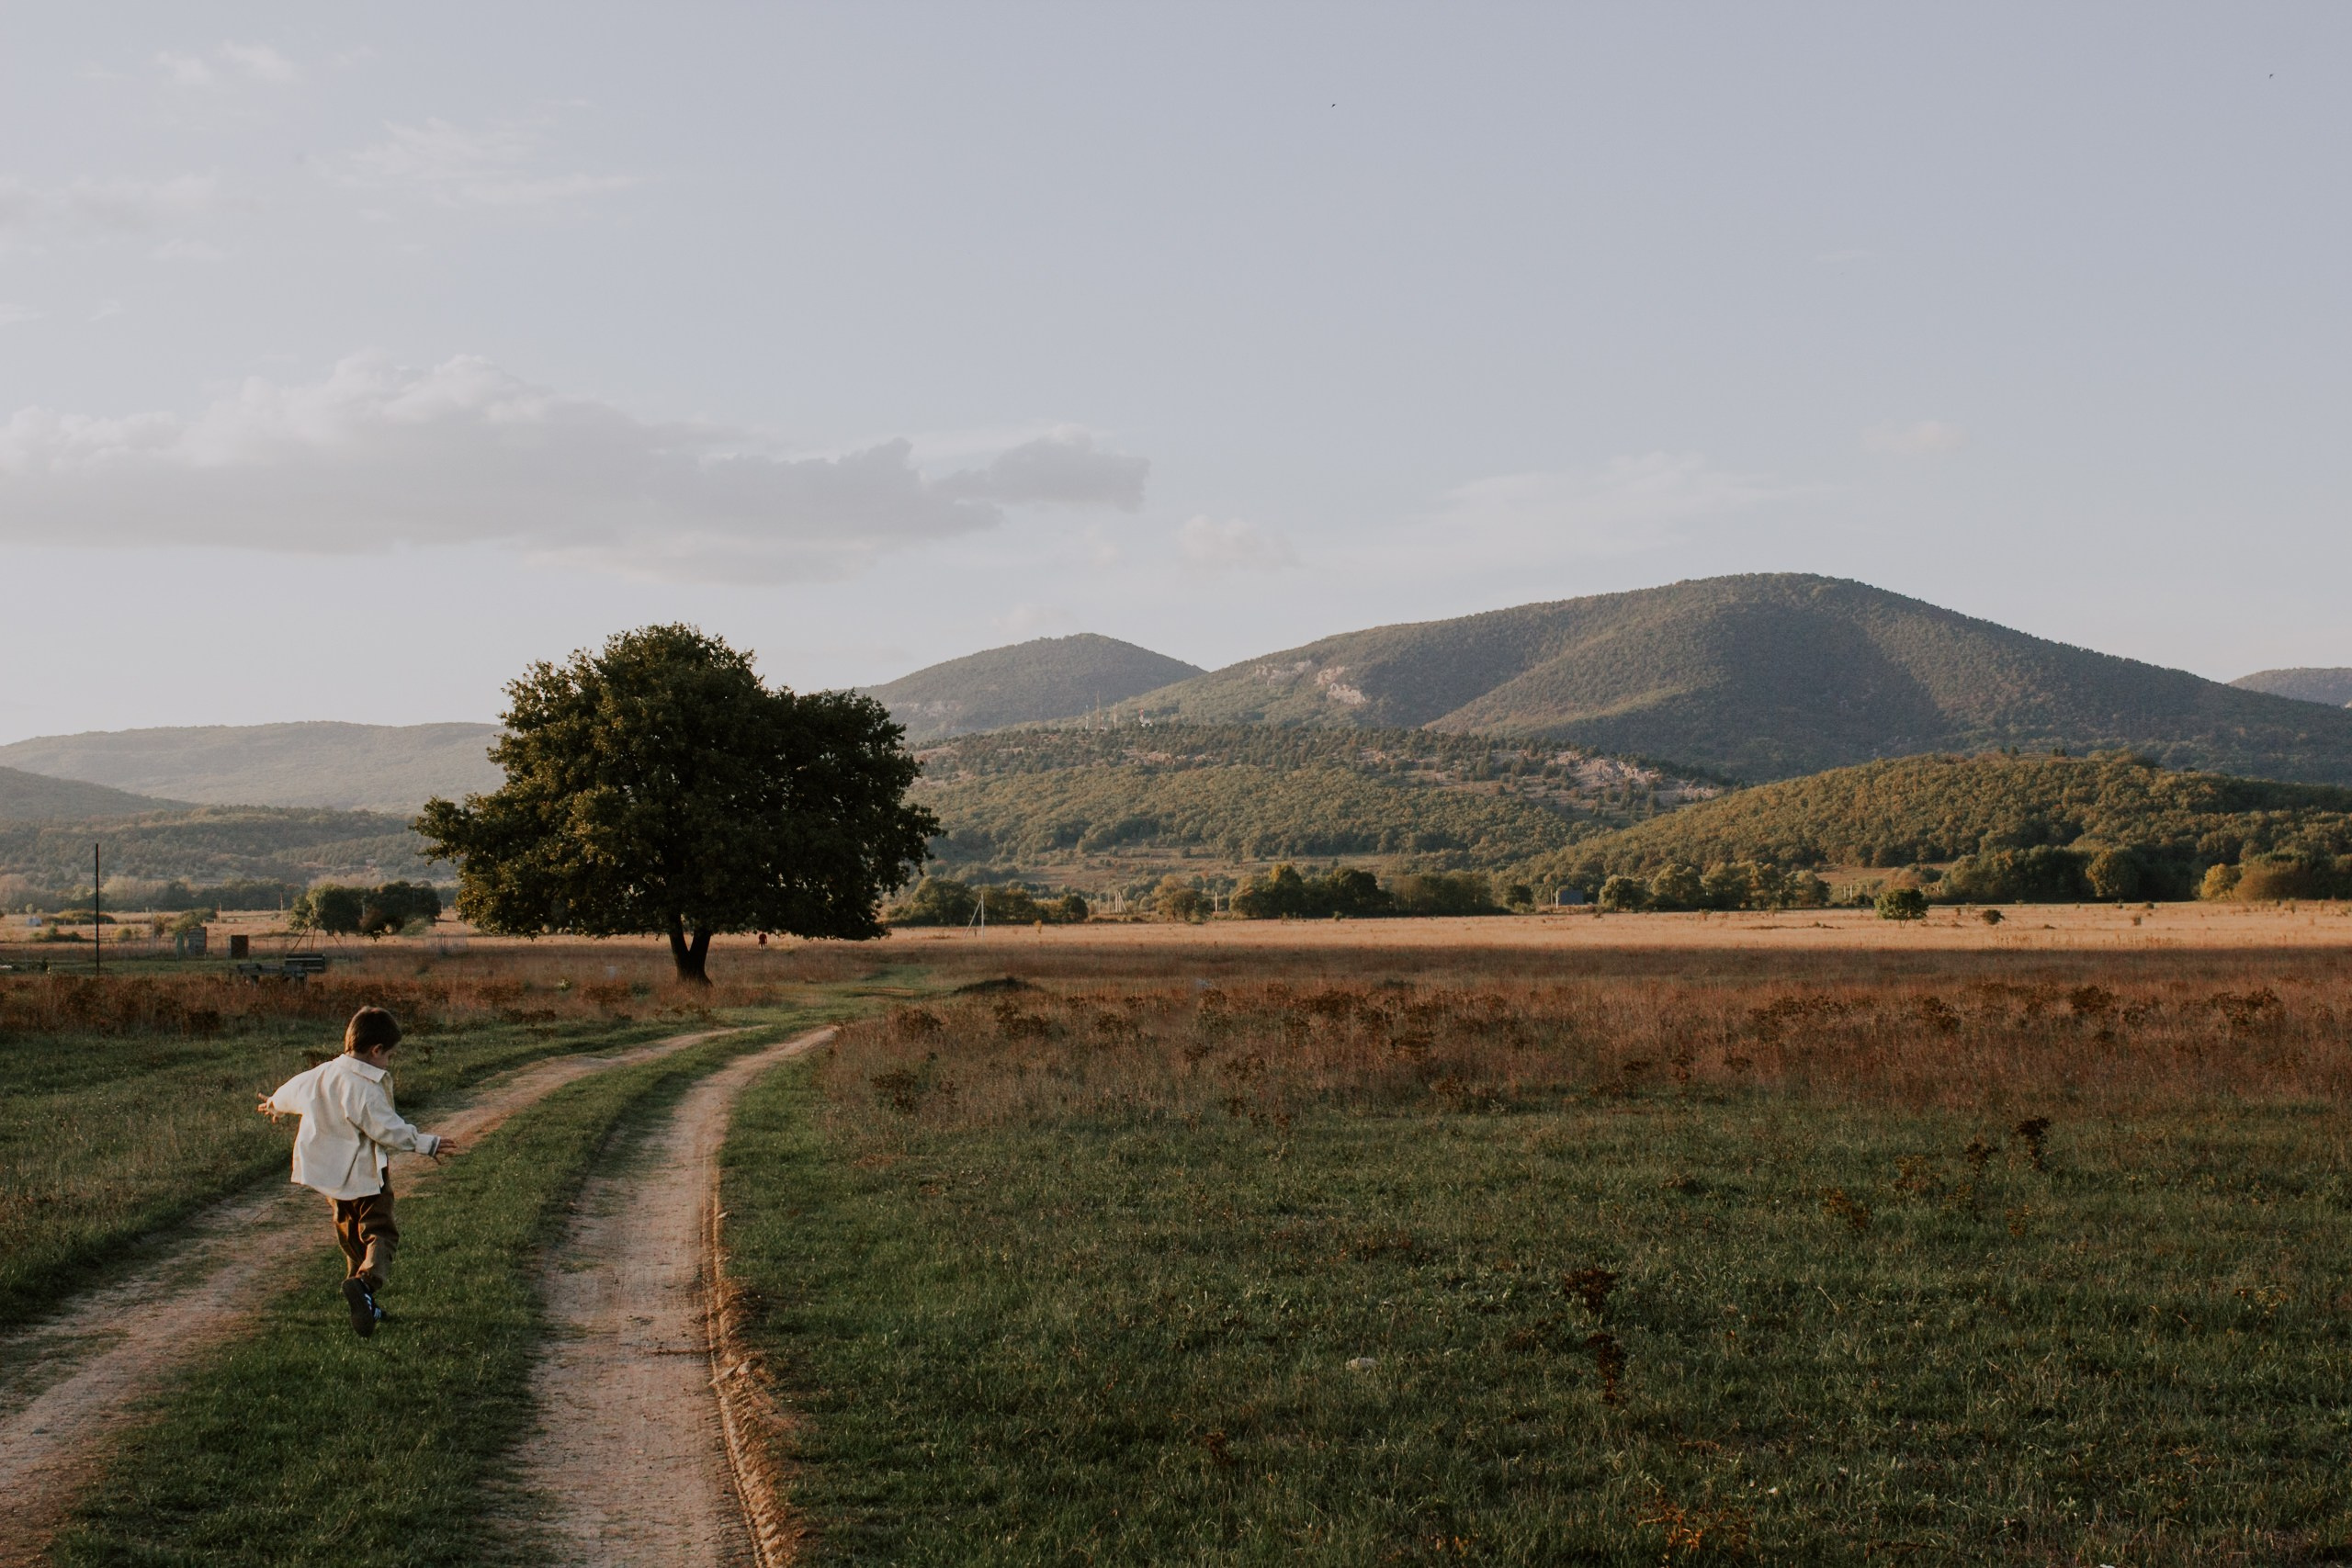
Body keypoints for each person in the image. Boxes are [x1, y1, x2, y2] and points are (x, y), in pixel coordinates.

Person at [257, 1006, 458, 1337]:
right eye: (389, 1056)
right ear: (376, 1050)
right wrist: (427, 1144)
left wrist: (274, 1104)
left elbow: (291, 1091)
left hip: (332, 1183)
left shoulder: (321, 1073)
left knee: (352, 1240)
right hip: (365, 1177)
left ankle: (362, 1298)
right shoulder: (362, 1088)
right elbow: (387, 1128)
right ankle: (365, 1285)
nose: (388, 1062)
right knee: (381, 1233)